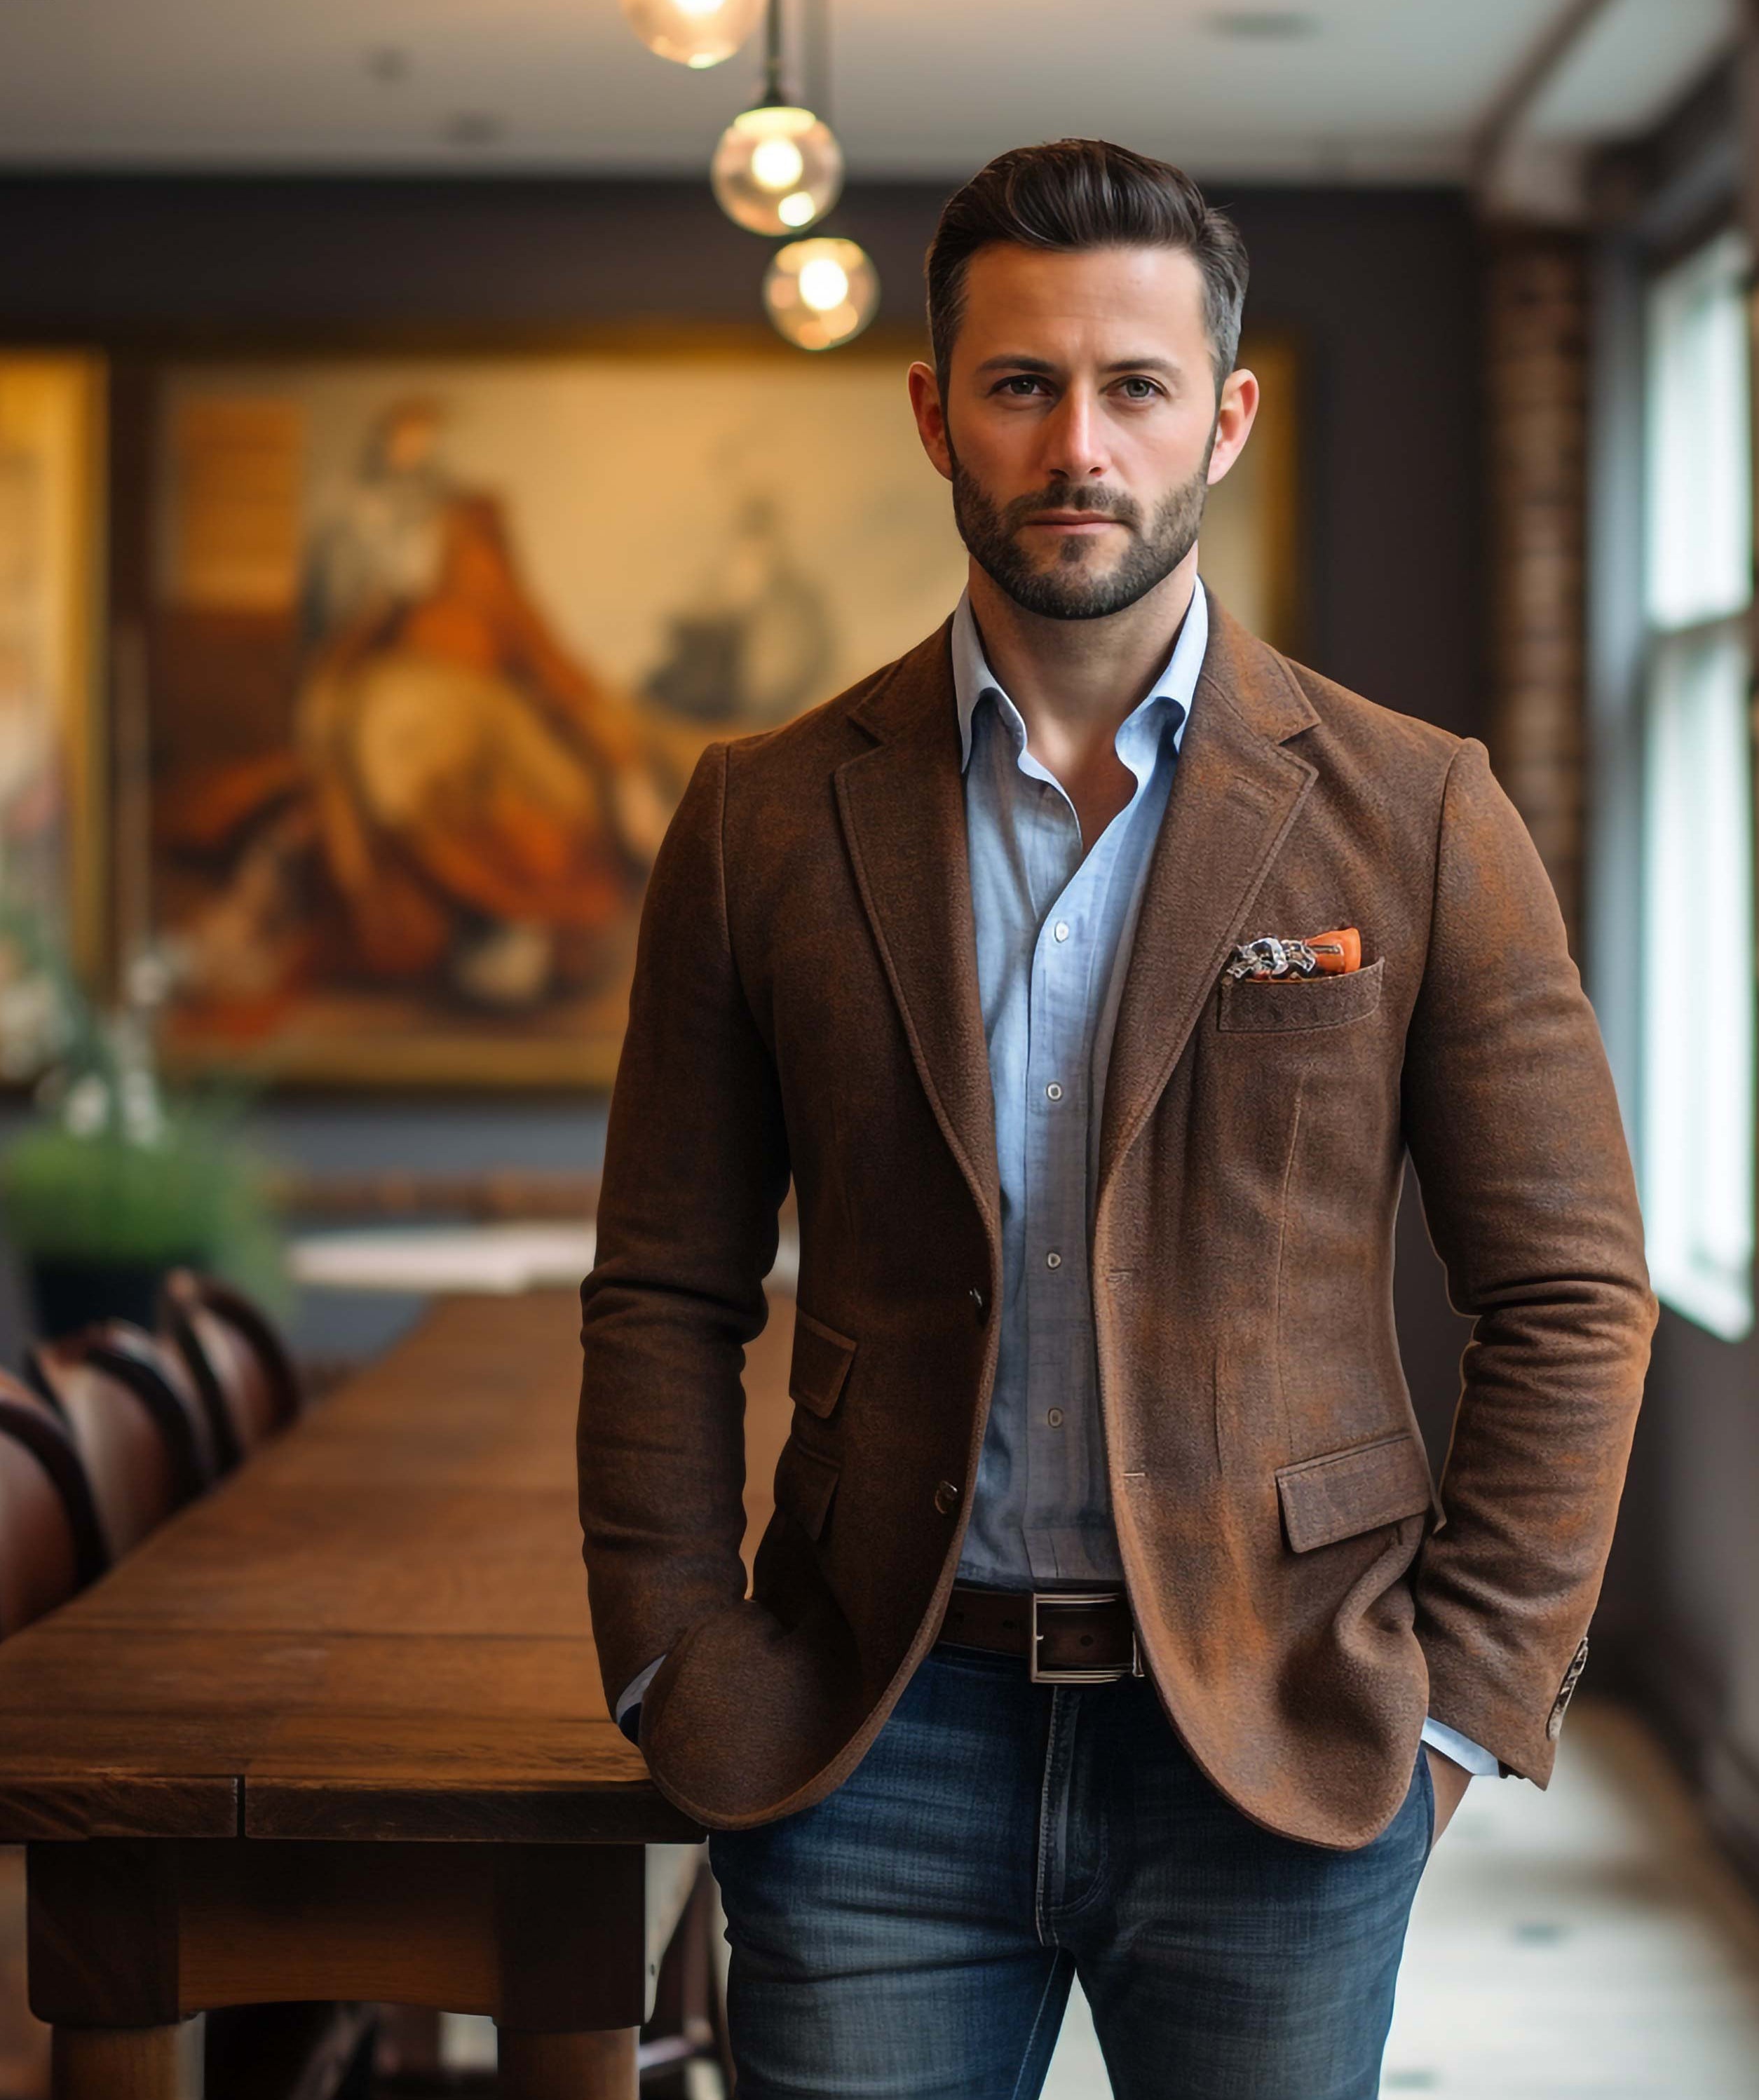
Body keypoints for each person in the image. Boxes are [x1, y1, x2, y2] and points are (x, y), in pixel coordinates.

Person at [577, 137, 1652, 2099]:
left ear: (1221, 418)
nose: (1079, 442)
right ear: (935, 413)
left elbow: (1572, 1288)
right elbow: (661, 1286)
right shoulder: (761, 817)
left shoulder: (1417, 812)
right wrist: (674, 1661)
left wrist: (1465, 1709)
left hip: (1280, 1739)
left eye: (1135, 387)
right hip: (866, 1737)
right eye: (1021, 384)